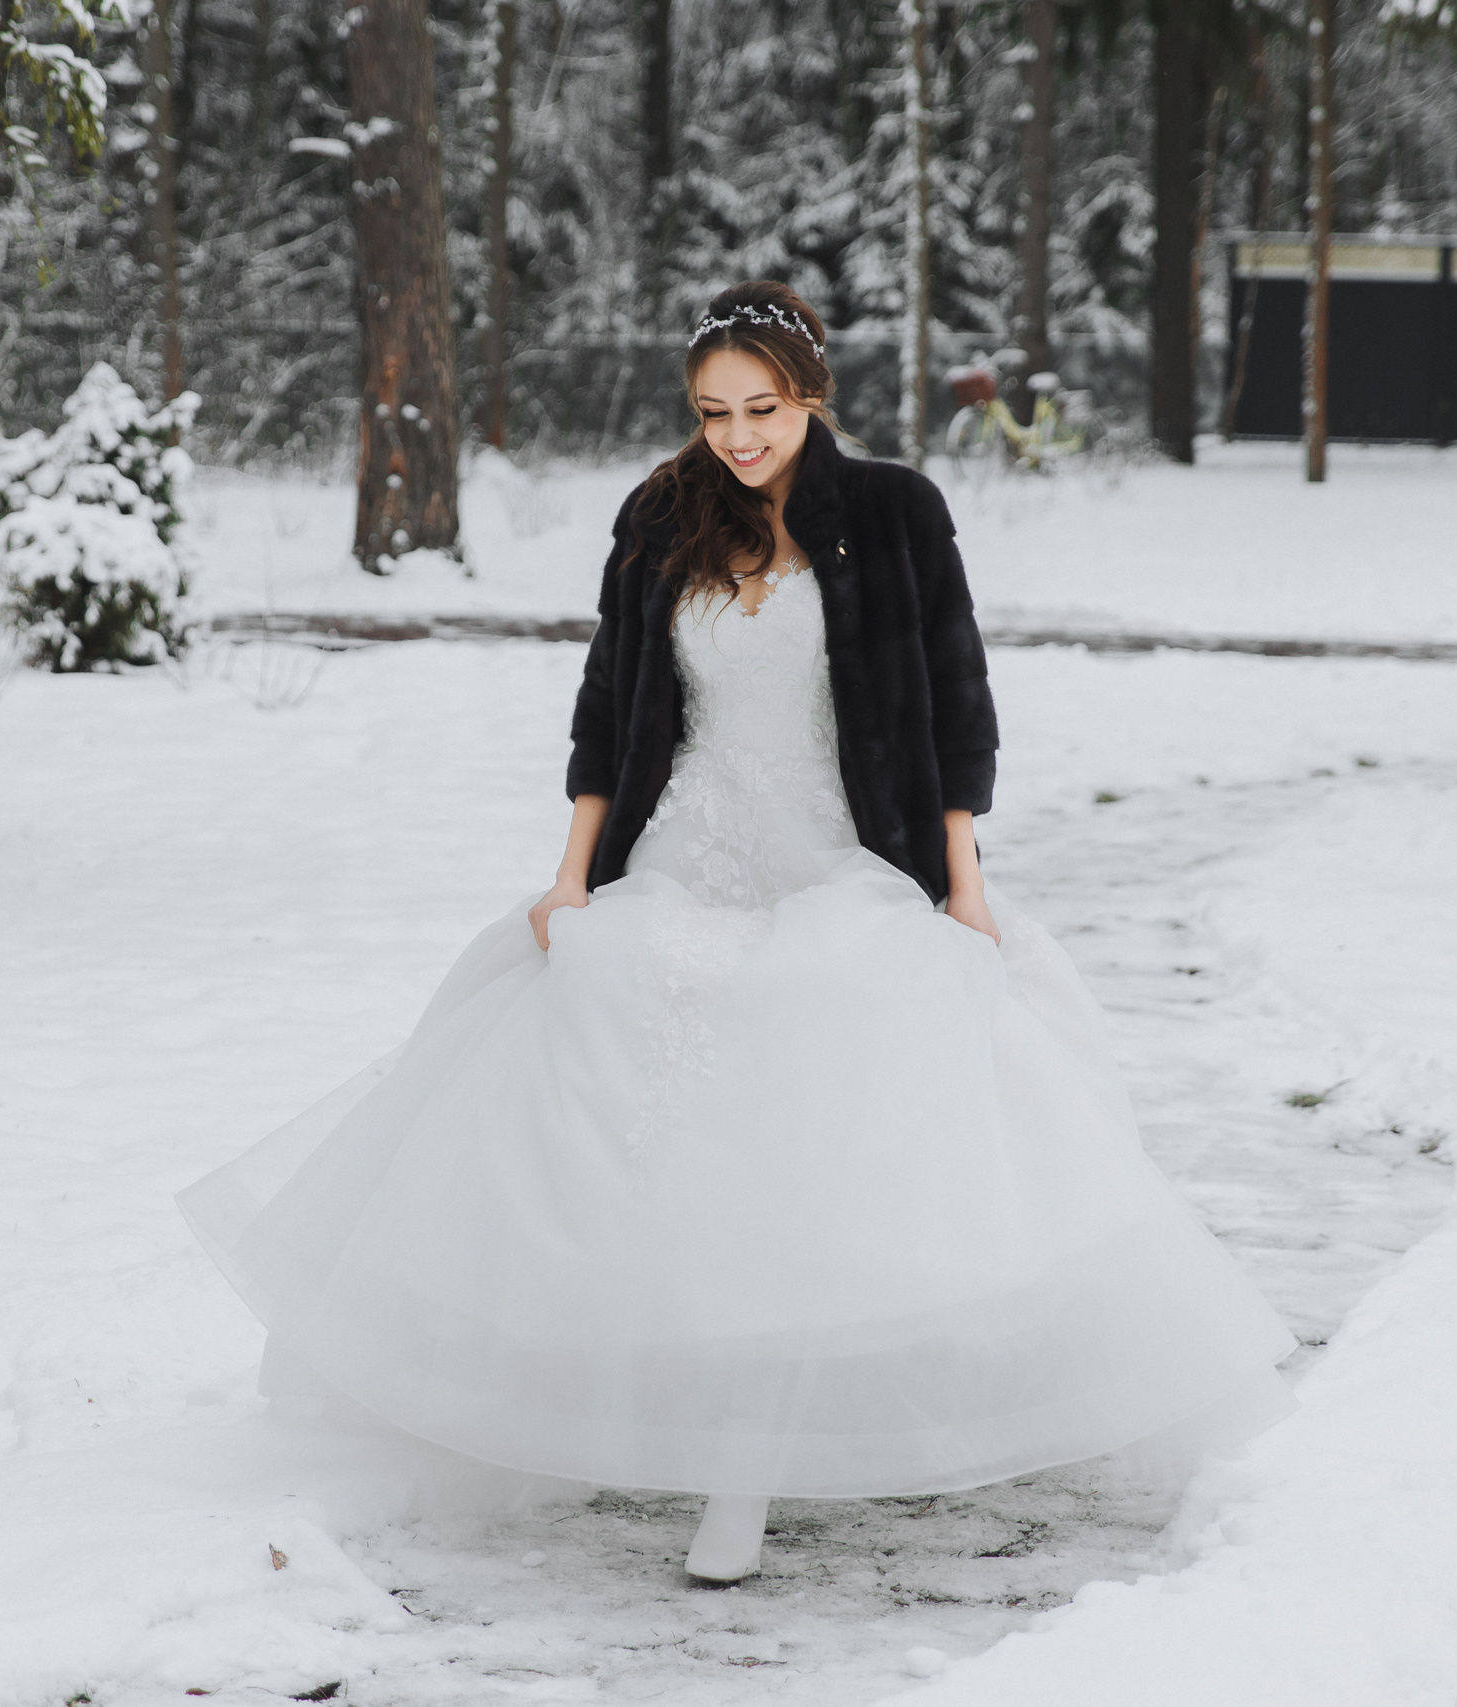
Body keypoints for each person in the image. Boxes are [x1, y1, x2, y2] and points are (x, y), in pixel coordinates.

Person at [180, 281, 1294, 1585]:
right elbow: (610, 712)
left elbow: (955, 710)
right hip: (688, 848)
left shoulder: (892, 514)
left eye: (762, 409)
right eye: (714, 412)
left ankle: (748, 1462)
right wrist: (571, 876)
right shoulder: (661, 518)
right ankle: (606, 1410)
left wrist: (963, 885)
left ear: (812, 395)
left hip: (841, 854)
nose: (739, 437)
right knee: (603, 1077)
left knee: (813, 1098)